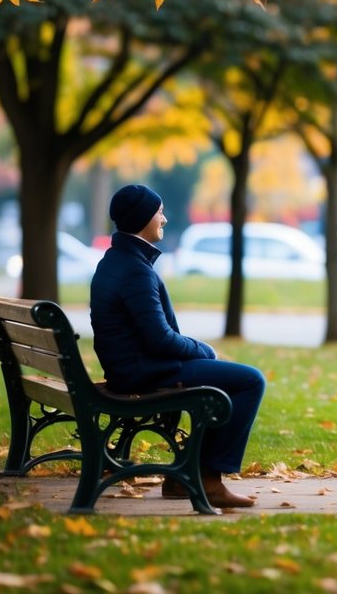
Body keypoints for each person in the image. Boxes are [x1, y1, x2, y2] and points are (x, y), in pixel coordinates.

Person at [90, 184, 266, 507]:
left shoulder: (116, 260)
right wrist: (204, 350)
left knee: (229, 378)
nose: (164, 219)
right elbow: (160, 339)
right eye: (159, 213)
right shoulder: (134, 271)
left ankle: (182, 477)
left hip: (132, 368)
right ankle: (208, 479)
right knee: (250, 380)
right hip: (146, 372)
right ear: (143, 218)